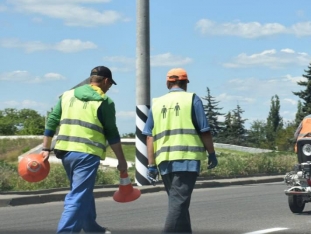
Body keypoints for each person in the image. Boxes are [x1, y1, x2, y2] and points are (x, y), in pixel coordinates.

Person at [40, 66, 128, 234]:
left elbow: (52, 120)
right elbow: (112, 133)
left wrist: (46, 147)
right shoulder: (105, 101)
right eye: (110, 85)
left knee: (82, 191)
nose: (109, 88)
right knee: (78, 195)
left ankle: (93, 229)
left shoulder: (67, 95)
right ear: (106, 81)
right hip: (87, 153)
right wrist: (121, 160)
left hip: (65, 152)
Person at [143, 68, 218, 234]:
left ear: (168, 83)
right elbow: (204, 130)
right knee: (178, 203)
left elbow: (149, 137)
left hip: (163, 161)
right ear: (185, 84)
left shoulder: (157, 103)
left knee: (178, 202)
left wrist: (151, 165)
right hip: (186, 159)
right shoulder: (192, 99)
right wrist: (211, 153)